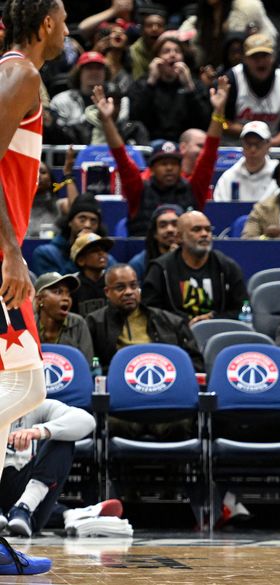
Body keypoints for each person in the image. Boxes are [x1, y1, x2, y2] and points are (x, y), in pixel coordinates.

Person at [0, 0, 70, 574]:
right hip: (0, 256)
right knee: (26, 384)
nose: (68, 28)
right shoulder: (21, 71)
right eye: (65, 18)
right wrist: (15, 252)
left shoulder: (17, 74)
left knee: (22, 389)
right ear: (46, 23)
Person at [95, 76, 226, 236]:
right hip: (145, 256)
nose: (169, 168)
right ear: (152, 168)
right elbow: (120, 155)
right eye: (163, 164)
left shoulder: (193, 189)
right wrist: (107, 120)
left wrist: (219, 111)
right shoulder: (138, 189)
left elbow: (210, 151)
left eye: (174, 163)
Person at [1, 398, 96, 538]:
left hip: (29, 498)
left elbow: (87, 421)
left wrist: (40, 431)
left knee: (63, 439)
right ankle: (71, 514)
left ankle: (23, 509)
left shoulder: (36, 406)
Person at [87, 264, 204, 374]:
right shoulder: (95, 323)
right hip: (117, 383)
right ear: (107, 292)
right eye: (120, 287)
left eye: (133, 286)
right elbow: (91, 363)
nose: (129, 292)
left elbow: (195, 363)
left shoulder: (170, 321)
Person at [141, 211, 247, 326]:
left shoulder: (227, 267)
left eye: (208, 229)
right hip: (174, 333)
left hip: (217, 331)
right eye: (197, 230)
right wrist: (184, 322)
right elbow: (150, 311)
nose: (204, 234)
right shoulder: (160, 269)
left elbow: (241, 309)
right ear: (179, 237)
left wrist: (213, 319)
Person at [128, 36, 212, 142]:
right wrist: (151, 83)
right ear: (156, 59)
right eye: (166, 51)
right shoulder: (142, 84)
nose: (172, 55)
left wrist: (189, 87)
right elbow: (136, 118)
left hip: (185, 144)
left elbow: (204, 122)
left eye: (177, 51)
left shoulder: (195, 86)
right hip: (150, 143)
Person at [222, 33, 280, 147]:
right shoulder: (232, 78)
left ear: (273, 57)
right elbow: (221, 122)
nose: (260, 61)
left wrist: (273, 142)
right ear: (245, 59)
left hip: (272, 147)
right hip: (236, 146)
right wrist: (252, 134)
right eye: (254, 57)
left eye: (264, 55)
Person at [31, 197, 107, 276]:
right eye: (82, 219)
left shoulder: (103, 257)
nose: (87, 225)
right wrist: (77, 252)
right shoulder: (46, 253)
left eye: (93, 220)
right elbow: (53, 286)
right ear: (70, 222)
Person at [33, 272, 94, 364]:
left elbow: (86, 364)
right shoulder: (28, 325)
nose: (66, 298)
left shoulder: (78, 323)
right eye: (58, 292)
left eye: (68, 294)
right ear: (40, 299)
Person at [212, 121, 279, 202]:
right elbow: (220, 208)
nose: (253, 149)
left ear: (268, 144)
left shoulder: (279, 174)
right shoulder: (228, 177)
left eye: (258, 144)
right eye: (248, 144)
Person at [128, 204, 181, 280]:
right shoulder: (138, 264)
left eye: (175, 224)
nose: (170, 229)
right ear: (155, 233)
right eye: (163, 225)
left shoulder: (195, 257)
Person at [70, 231, 113, 317]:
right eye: (94, 250)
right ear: (81, 260)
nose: (101, 253)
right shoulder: (73, 285)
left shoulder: (113, 281)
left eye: (104, 250)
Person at [129, 3, 167, 80]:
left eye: (159, 25)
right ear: (142, 30)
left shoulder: (169, 49)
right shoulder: (133, 51)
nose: (155, 29)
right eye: (149, 25)